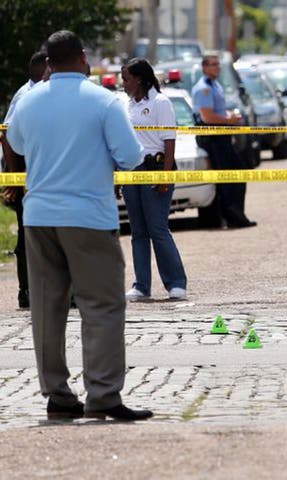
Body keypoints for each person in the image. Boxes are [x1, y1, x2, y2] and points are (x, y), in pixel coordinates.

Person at [6, 30, 152, 421]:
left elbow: (17, 146)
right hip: (88, 217)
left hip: (39, 218)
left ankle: (57, 394)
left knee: (46, 308)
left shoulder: (27, 100)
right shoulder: (104, 102)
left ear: (49, 62)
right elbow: (130, 157)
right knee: (101, 306)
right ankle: (103, 394)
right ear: (84, 58)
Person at [121, 58, 187, 302]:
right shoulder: (127, 105)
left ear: (139, 79)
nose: (124, 84)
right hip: (132, 170)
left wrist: (166, 175)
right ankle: (141, 285)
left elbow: (169, 141)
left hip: (156, 166)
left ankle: (176, 282)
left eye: (126, 79)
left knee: (157, 228)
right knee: (138, 231)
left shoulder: (161, 102)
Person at [0, 50, 49, 309]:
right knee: (28, 236)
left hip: (41, 173)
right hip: (28, 175)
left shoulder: (40, 93)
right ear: (45, 71)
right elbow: (6, 136)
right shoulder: (26, 96)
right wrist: (14, 177)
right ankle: (27, 291)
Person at [191, 51, 256, 228]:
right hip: (213, 138)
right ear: (204, 67)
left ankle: (235, 216)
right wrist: (229, 120)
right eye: (213, 64)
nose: (217, 67)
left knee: (234, 175)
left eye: (218, 64)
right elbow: (207, 117)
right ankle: (233, 217)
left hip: (221, 136)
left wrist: (229, 116)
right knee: (230, 177)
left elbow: (216, 112)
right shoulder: (204, 87)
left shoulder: (215, 85)